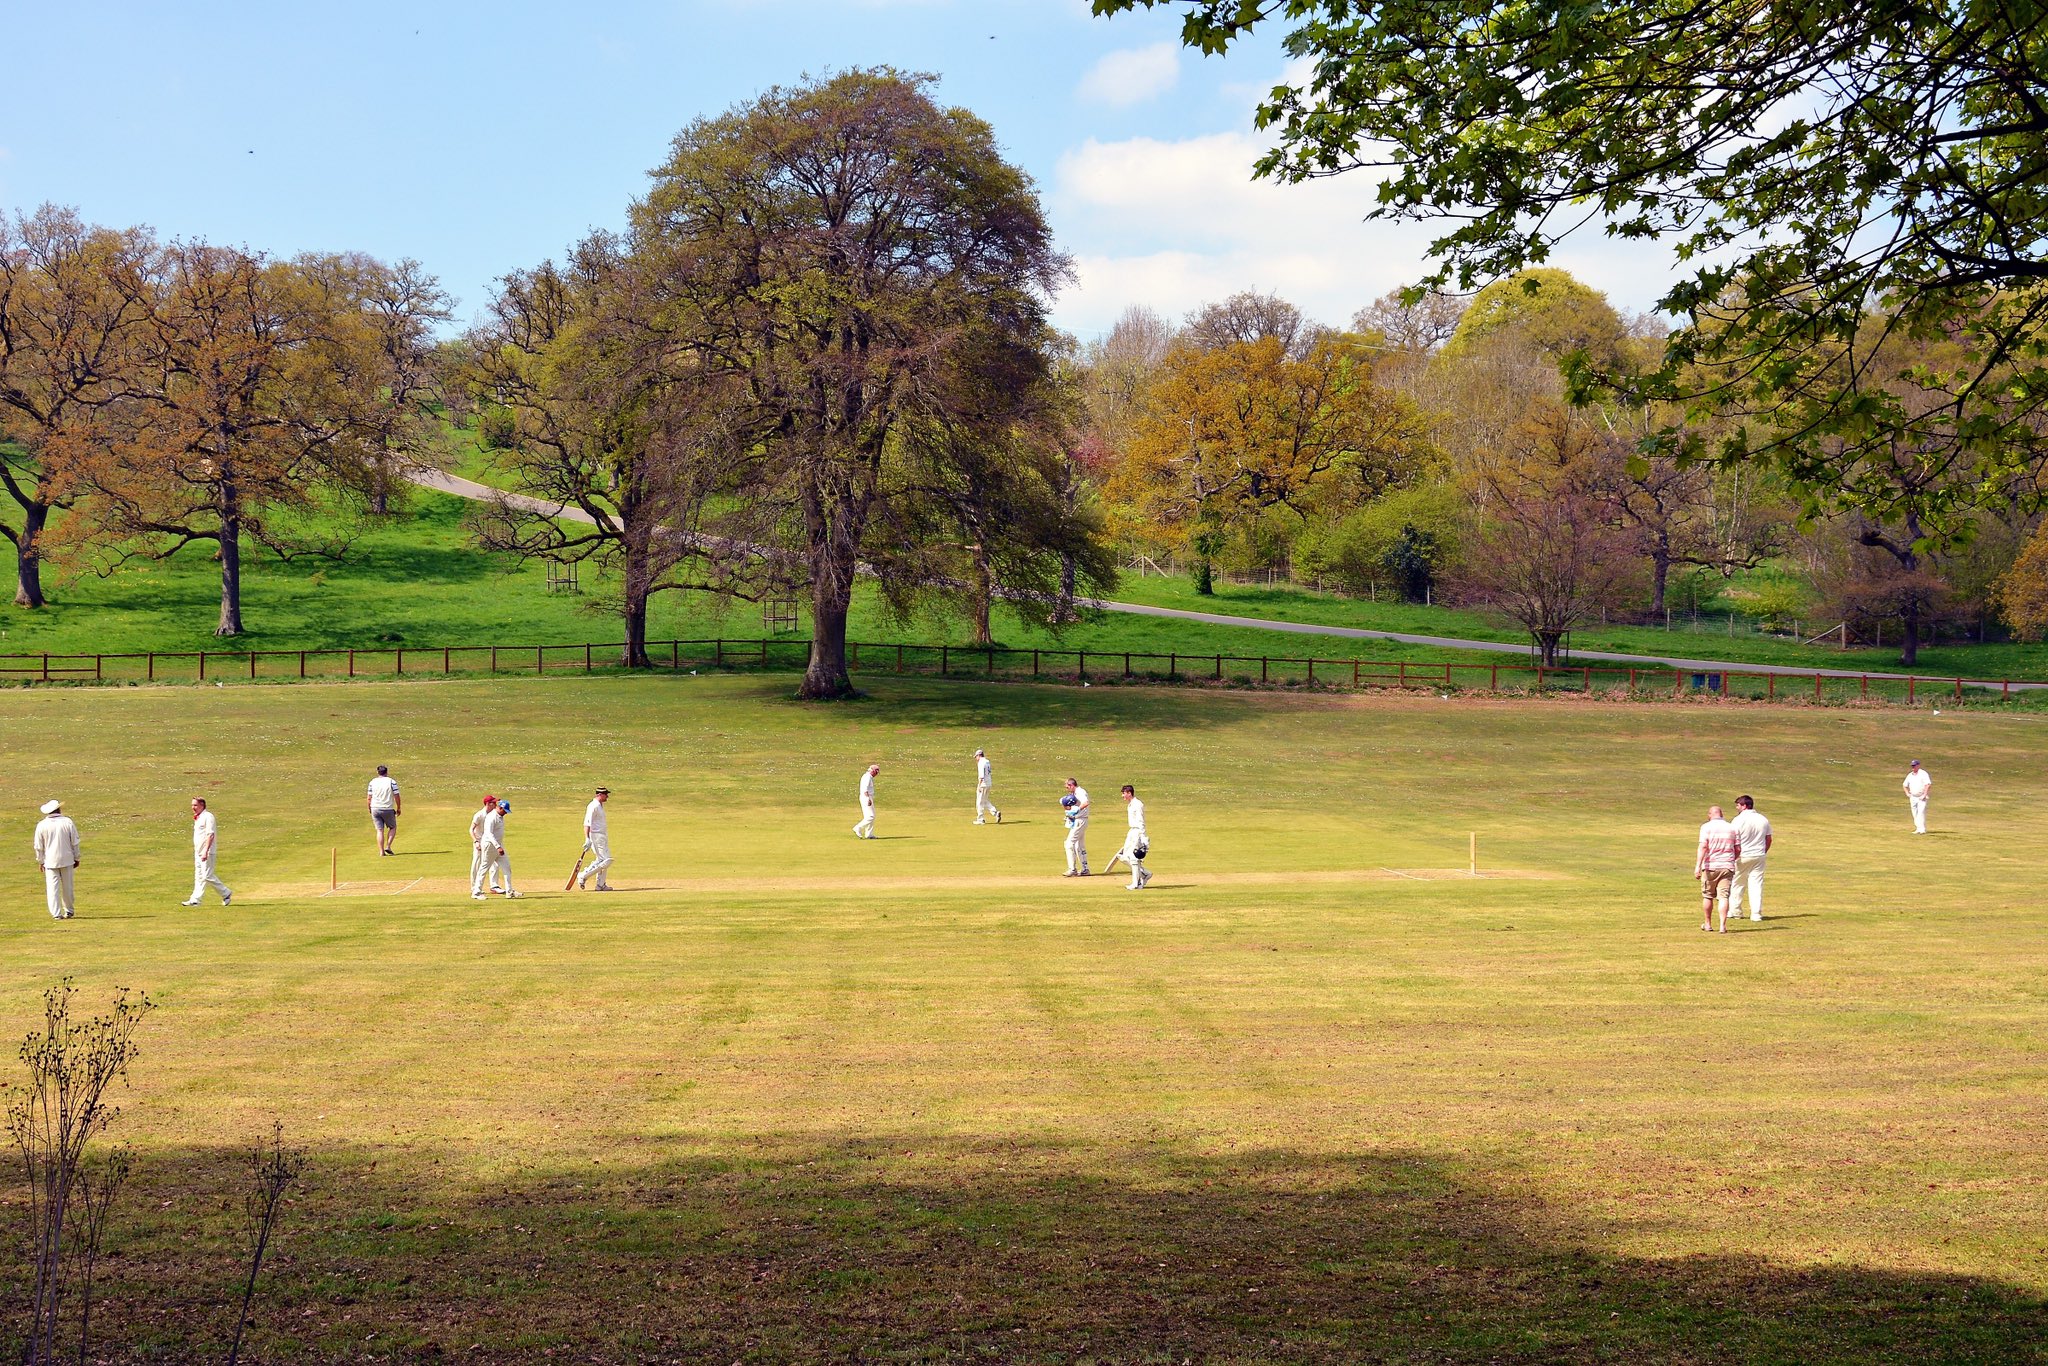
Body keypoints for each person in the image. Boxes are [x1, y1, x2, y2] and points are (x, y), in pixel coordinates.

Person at [32, 798, 80, 921]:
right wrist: (76, 857)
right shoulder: (67, 822)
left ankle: (56, 913)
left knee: (52, 887)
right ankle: (69, 911)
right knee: (67, 887)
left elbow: (38, 846)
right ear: (59, 809)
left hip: (50, 860)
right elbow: (75, 842)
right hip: (67, 858)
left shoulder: (42, 825)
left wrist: (40, 861)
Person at [1695, 804, 1740, 933]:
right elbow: (1738, 849)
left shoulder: (1706, 827)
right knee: (1724, 896)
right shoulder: (1732, 827)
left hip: (1710, 866)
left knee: (1708, 895)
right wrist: (1731, 859)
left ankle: (1708, 923)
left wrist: (1698, 866)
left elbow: (1703, 847)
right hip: (1727, 866)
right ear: (1722, 814)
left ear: (1710, 815)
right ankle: (1722, 925)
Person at [1728, 794, 1772, 922]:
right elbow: (1768, 839)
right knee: (1756, 885)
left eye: (1738, 805)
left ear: (1744, 805)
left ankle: (1736, 911)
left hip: (1743, 855)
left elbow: (1733, 839)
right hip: (1758, 855)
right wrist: (1763, 851)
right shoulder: (1763, 819)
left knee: (1737, 883)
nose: (1737, 808)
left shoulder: (1738, 820)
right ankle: (1756, 913)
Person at [181, 798, 233, 907]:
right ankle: (195, 900)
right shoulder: (198, 818)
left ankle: (226, 892)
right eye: (192, 805)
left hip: (207, 851)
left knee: (207, 876)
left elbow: (210, 834)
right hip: (198, 851)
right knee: (199, 876)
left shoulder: (208, 816)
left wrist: (206, 851)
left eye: (195, 805)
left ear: (202, 805)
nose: (193, 808)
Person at [472, 798, 519, 899]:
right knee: (484, 867)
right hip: (490, 845)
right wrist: (498, 847)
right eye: (504, 811)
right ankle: (476, 892)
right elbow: (488, 834)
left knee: (507, 868)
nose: (505, 813)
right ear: (500, 807)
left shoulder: (500, 816)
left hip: (499, 846)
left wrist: (500, 846)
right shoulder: (491, 817)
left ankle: (509, 891)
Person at [469, 794, 508, 896]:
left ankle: (494, 886)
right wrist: (476, 841)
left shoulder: (494, 814)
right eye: (493, 803)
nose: (496, 804)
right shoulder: (479, 815)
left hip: (490, 843)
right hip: (480, 842)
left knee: (494, 864)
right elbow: (471, 829)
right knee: (478, 864)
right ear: (488, 804)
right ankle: (474, 887)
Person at [578, 786, 614, 890]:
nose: (607, 796)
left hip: (602, 835)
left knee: (604, 860)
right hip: (596, 836)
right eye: (605, 794)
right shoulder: (593, 806)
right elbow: (586, 823)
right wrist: (587, 838)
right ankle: (583, 876)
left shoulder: (599, 805)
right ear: (599, 794)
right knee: (605, 860)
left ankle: (600, 885)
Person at [1118, 784, 1150, 890]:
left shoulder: (1137, 804)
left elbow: (1141, 821)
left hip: (1137, 832)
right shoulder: (1131, 804)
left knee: (1133, 858)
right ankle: (1145, 874)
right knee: (1123, 857)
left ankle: (1135, 884)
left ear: (1129, 793)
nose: (1122, 796)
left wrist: (1142, 837)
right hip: (1131, 831)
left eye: (1124, 793)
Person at [367, 764, 401, 856]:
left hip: (375, 808)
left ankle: (381, 852)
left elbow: (369, 797)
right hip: (387, 808)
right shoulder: (391, 782)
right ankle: (388, 846)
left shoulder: (372, 782)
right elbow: (396, 796)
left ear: (378, 772)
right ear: (386, 772)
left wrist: (369, 807)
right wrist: (398, 808)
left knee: (379, 830)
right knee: (393, 827)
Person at [1061, 777, 1091, 877]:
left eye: (1067, 787)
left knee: (1069, 843)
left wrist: (1077, 810)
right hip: (1078, 819)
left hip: (1081, 819)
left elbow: (1086, 802)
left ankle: (1072, 869)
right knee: (1079, 845)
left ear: (1072, 785)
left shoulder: (1080, 792)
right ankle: (1085, 869)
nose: (1067, 789)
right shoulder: (1074, 794)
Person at [1903, 760, 1932, 834]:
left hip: (1921, 796)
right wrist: (1907, 793)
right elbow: (1904, 785)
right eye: (1912, 766)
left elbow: (1927, 784)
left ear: (1918, 765)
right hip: (1913, 797)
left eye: (1914, 766)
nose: (1913, 767)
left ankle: (1922, 829)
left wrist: (1924, 795)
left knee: (1921, 812)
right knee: (1914, 813)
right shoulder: (1910, 775)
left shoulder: (1923, 774)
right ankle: (1918, 828)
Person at [973, 749, 1002, 825]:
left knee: (979, 802)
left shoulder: (981, 763)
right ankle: (995, 813)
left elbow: (981, 776)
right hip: (989, 783)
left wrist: (979, 786)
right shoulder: (987, 761)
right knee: (985, 800)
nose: (976, 758)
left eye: (976, 756)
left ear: (979, 755)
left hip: (983, 784)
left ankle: (980, 819)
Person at [854, 765, 880, 839]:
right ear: (872, 770)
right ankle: (858, 828)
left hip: (868, 797)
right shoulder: (867, 777)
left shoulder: (868, 777)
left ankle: (869, 834)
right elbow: (865, 789)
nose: (876, 774)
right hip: (866, 797)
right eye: (876, 772)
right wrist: (868, 798)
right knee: (870, 816)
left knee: (871, 816)